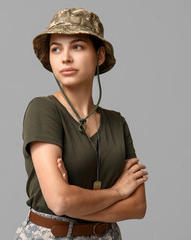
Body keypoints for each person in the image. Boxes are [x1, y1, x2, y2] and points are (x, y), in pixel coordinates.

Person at [14, 8, 148, 240]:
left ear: (100, 55)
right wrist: (118, 191)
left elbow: (137, 207)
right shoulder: (43, 109)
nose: (65, 57)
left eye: (77, 46)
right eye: (56, 49)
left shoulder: (117, 122)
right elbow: (60, 201)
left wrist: (76, 201)